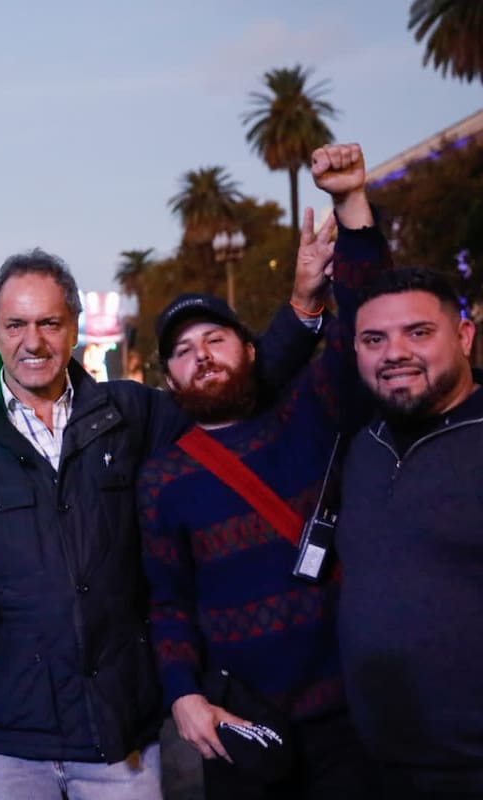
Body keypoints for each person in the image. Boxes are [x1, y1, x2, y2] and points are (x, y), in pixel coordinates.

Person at [0, 246, 324, 800]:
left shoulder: (133, 414)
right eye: (15, 324)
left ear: (75, 327)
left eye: (49, 323)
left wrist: (301, 309)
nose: (32, 342)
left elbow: (229, 386)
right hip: (7, 743)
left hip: (120, 739)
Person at [138, 144, 386, 799]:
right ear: (170, 379)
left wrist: (351, 203)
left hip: (349, 716)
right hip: (241, 727)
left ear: (251, 348)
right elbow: (167, 605)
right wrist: (182, 694)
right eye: (184, 352)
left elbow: (364, 316)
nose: (202, 357)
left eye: (215, 339)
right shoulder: (163, 480)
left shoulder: (309, 411)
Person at [336, 267, 483, 798]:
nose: (395, 352)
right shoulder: (362, 446)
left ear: (464, 337)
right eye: (374, 339)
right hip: (377, 762)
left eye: (418, 333)